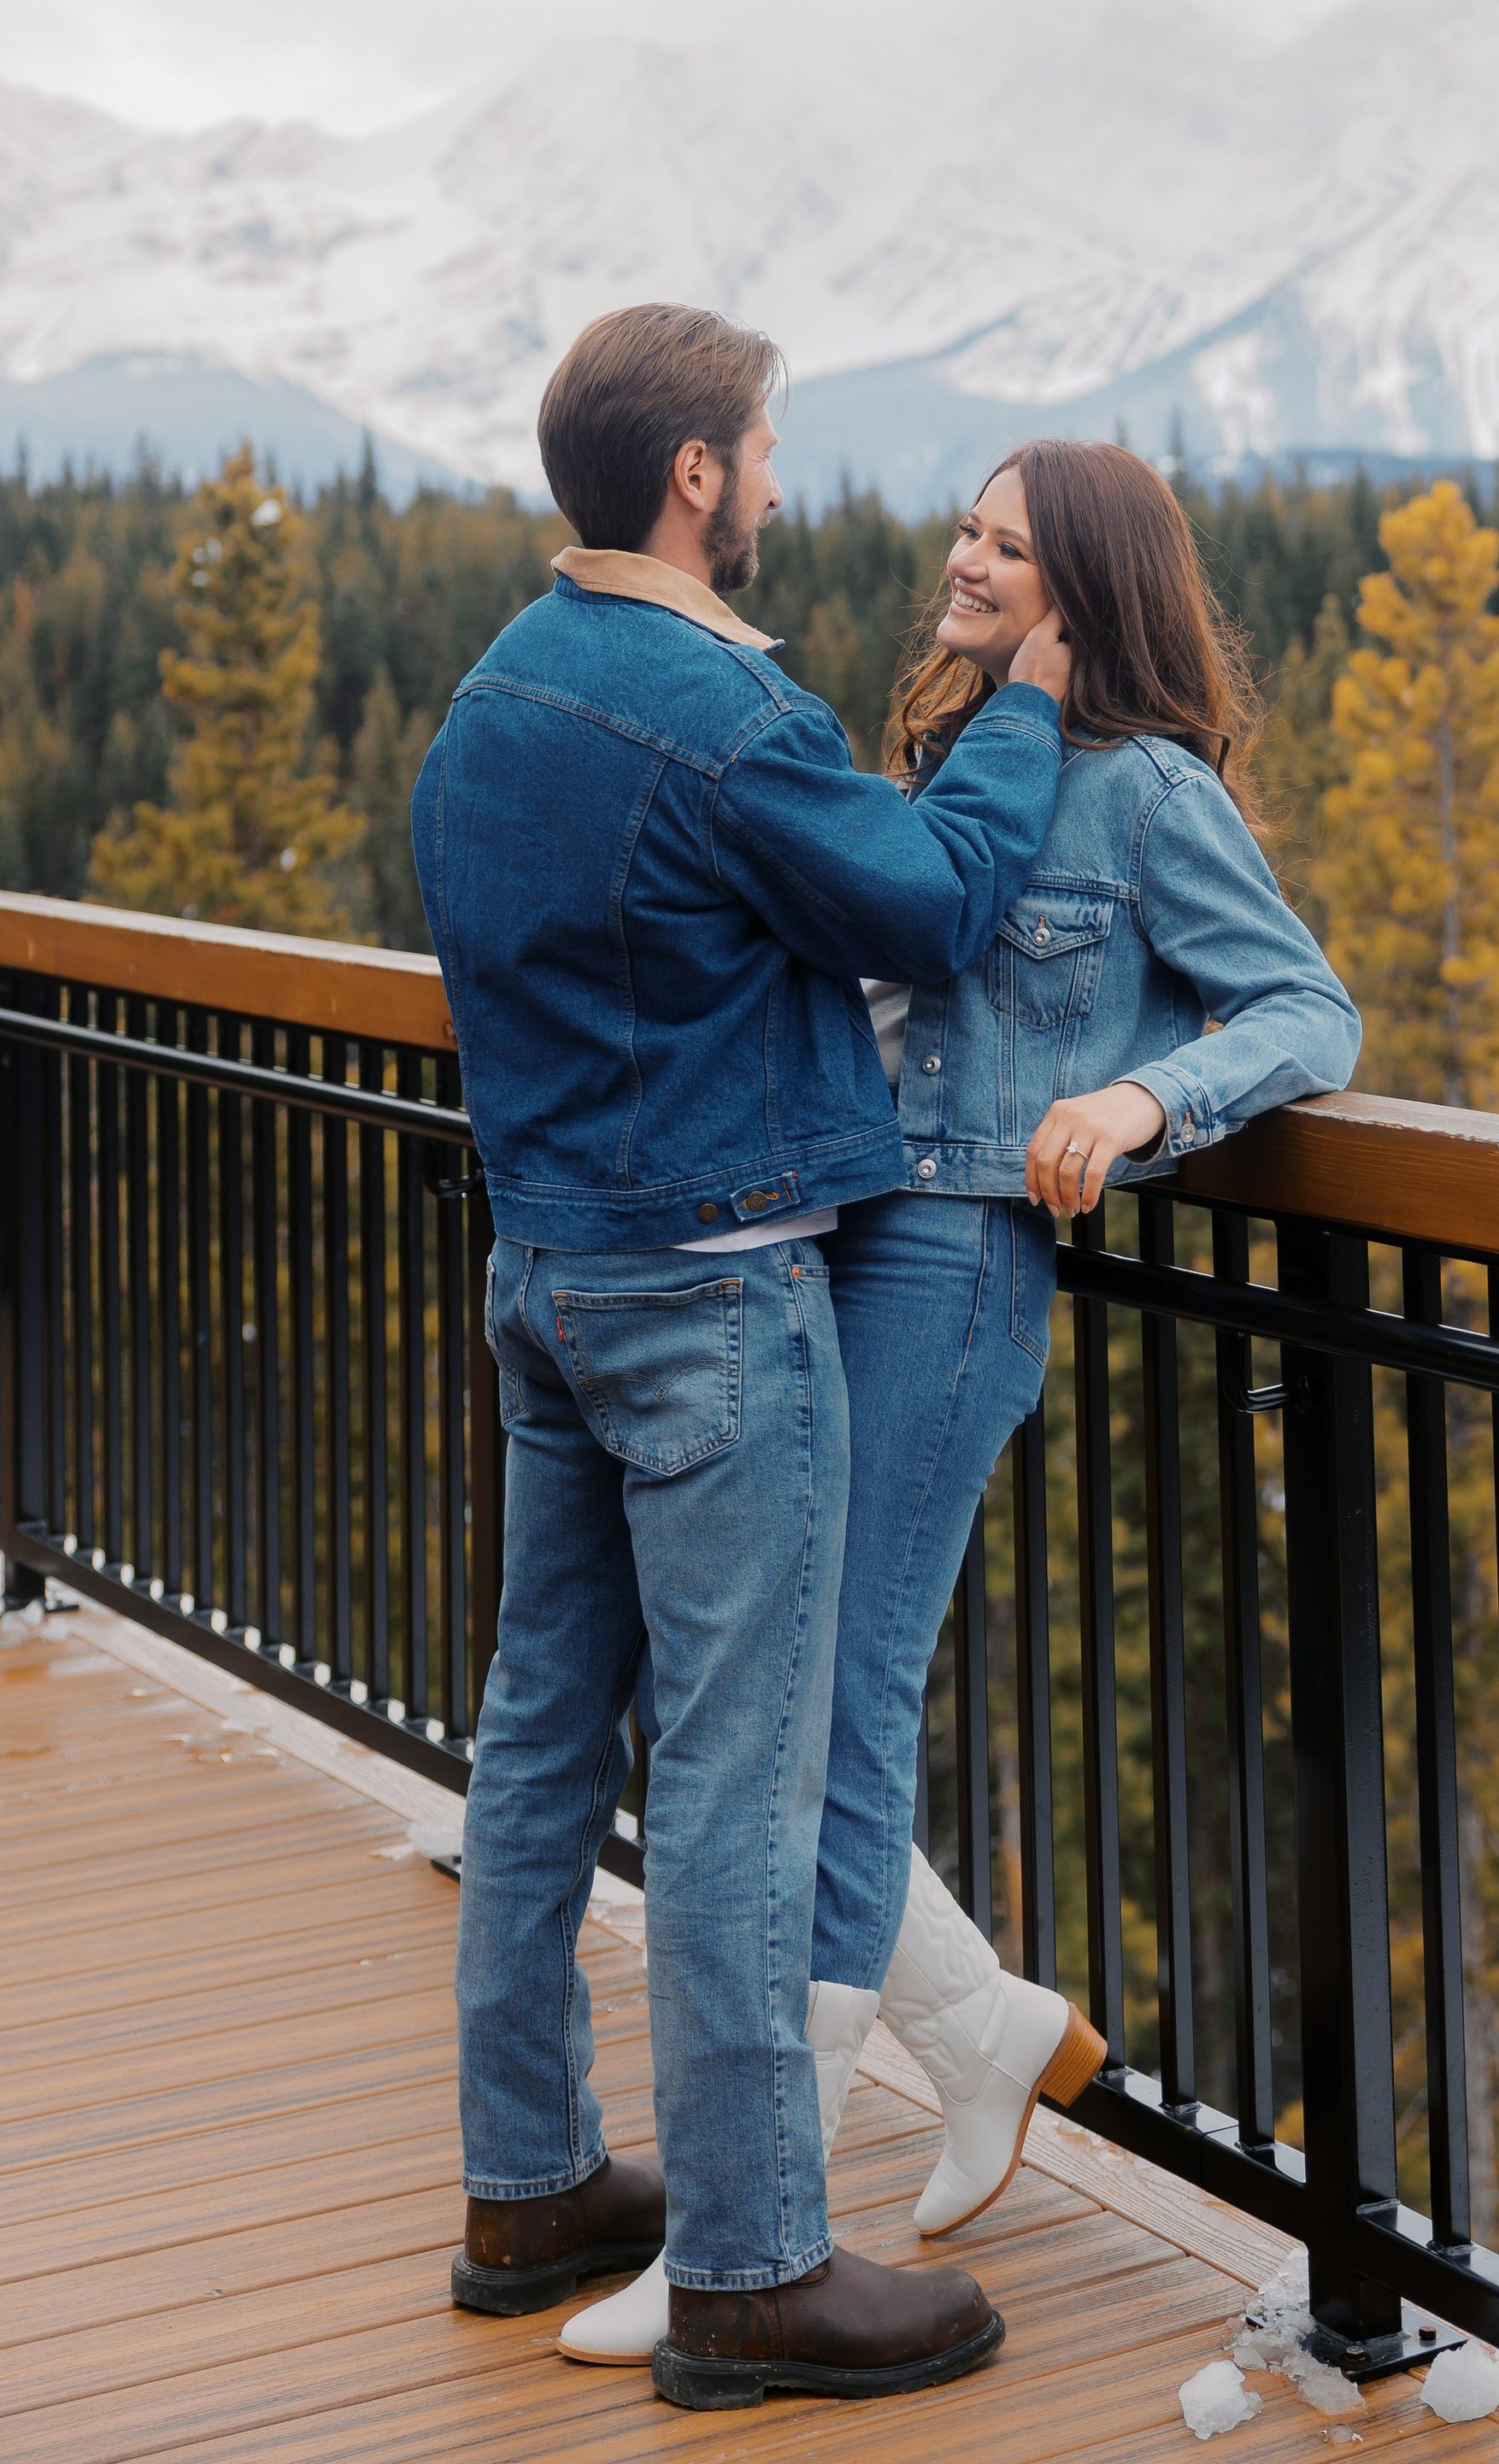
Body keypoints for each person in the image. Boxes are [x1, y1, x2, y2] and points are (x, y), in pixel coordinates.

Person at [562, 438, 1358, 2367]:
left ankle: (755, 2230)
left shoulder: (1147, 791)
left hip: (955, 1270)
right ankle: (979, 2035)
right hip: (834, 1246)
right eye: (967, 531)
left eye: (1006, 543)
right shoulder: (966, 758)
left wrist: (1138, 1100)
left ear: (1084, 586)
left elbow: (1306, 1010)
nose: (963, 557)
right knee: (771, 1704)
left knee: (830, 1707)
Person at [414, 305, 1073, 2413]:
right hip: (714, 1299)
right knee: (731, 1784)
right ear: (695, 474)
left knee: (535, 1745)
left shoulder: (498, 694)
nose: (781, 482)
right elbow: (935, 904)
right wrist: (1029, 707)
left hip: (550, 1281)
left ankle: (524, 2188)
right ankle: (754, 2265)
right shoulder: (717, 707)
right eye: (767, 449)